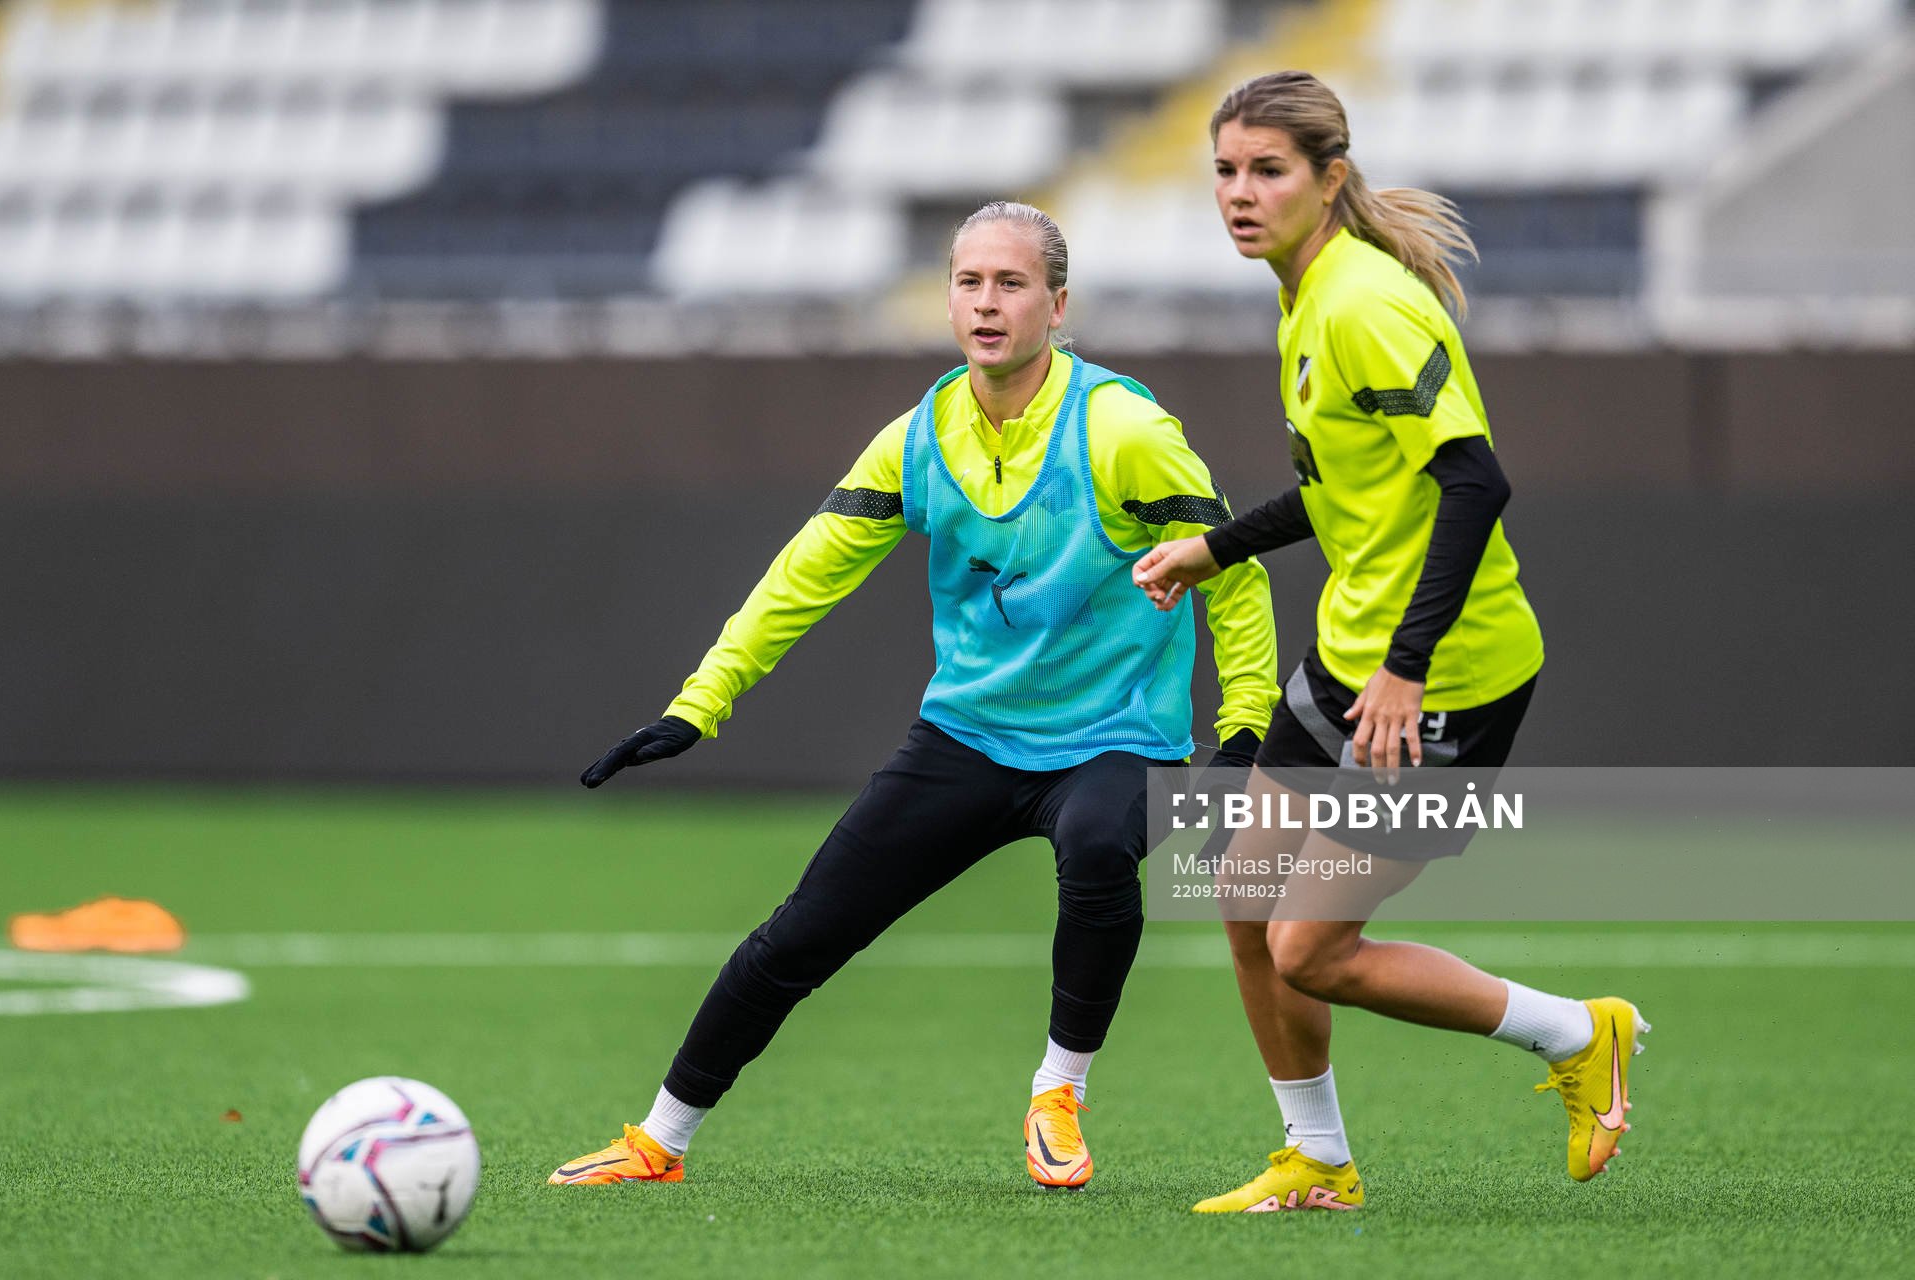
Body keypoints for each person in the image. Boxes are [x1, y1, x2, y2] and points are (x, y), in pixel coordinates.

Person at [550, 201, 1280, 1190]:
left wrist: (1240, 735)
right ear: (947, 300)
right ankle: (658, 1139)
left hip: (1118, 740)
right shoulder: (919, 438)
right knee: (804, 929)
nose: (987, 301)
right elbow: (806, 570)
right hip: (969, 734)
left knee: (1101, 842)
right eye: (969, 281)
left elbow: (1234, 573)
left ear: (1057, 305)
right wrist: (699, 701)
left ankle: (1058, 1092)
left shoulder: (1121, 429)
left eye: (1011, 282)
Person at [1133, 72, 1646, 1213]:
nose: (1240, 192)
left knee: (1311, 946)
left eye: (1268, 170)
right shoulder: (1304, 293)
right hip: (1356, 656)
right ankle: (1315, 1158)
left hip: (1444, 677)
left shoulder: (1362, 302)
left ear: (1331, 178)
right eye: (1225, 169)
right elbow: (1346, 486)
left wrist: (1409, 669)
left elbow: (1475, 482)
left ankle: (1580, 1034)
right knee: (1238, 885)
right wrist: (1215, 550)